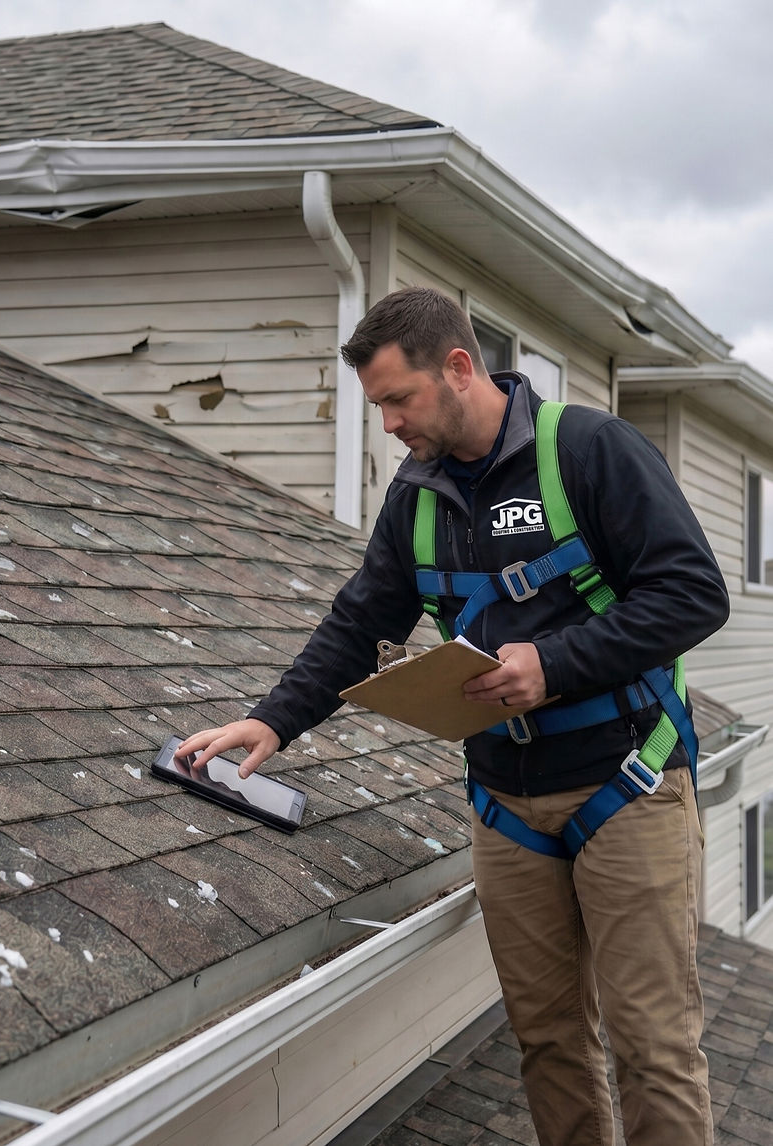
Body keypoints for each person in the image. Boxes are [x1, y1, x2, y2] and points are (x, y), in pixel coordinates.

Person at [178, 287, 729, 1146]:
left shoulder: (588, 451)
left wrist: (552, 663)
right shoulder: (417, 497)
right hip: (506, 807)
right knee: (548, 1042)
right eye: (379, 406)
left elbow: (694, 594)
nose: (389, 424)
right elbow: (360, 625)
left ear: (460, 369)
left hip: (629, 784)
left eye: (399, 399)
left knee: (653, 1047)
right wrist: (272, 722)